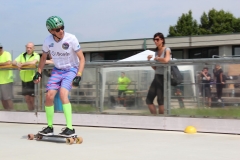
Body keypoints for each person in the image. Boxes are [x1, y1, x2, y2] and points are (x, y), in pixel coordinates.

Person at [34, 16, 85, 137]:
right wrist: (39, 72)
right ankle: (49, 127)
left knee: (63, 94)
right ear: (50, 31)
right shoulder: (47, 41)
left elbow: (82, 59)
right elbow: (43, 58)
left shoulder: (71, 38)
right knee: (49, 96)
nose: (61, 31)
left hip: (71, 69)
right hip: (57, 70)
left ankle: (70, 128)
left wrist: (79, 75)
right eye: (57, 30)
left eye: (62, 28)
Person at [146, 32, 171, 114]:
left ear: (162, 40)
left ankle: (161, 120)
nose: (155, 41)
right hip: (157, 76)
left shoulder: (167, 49)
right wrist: (149, 61)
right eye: (154, 40)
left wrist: (158, 58)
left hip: (163, 77)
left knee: (160, 100)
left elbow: (166, 60)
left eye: (157, 39)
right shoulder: (156, 52)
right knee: (149, 100)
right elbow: (155, 68)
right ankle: (155, 119)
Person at [12, 42, 40, 111]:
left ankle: (35, 113)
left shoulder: (36, 55)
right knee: (27, 99)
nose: (28, 49)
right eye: (27, 47)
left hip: (32, 80)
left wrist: (22, 64)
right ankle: (30, 112)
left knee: (32, 98)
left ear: (33, 48)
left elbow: (33, 62)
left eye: (30, 48)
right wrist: (17, 64)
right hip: (24, 80)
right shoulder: (22, 55)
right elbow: (13, 62)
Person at [0, 44, 14, 110]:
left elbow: (8, 63)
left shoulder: (7, 54)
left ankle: (12, 113)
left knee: (8, 98)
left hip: (6, 81)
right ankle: (6, 112)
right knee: (2, 99)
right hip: (1, 81)